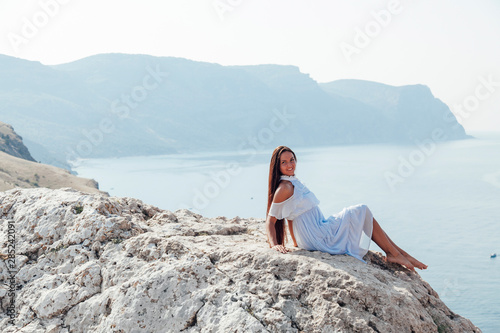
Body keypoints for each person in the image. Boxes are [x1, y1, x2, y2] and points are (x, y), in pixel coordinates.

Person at [265, 146, 427, 271]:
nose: (290, 164)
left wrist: (295, 241)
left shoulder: (292, 182)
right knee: (361, 210)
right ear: (277, 166)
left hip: (317, 229)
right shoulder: (285, 187)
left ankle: (400, 254)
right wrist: (274, 245)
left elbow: (291, 214)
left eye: (292, 159)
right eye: (284, 162)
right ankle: (395, 254)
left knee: (362, 212)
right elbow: (270, 221)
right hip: (316, 235)